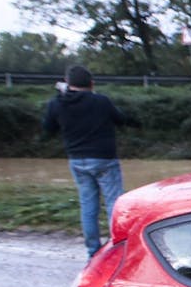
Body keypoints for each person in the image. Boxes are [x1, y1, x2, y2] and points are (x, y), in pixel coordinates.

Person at [43, 65, 137, 257]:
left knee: (88, 206)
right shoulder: (101, 101)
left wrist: (62, 96)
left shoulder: (57, 103)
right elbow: (120, 119)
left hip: (77, 160)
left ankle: (93, 252)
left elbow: (48, 128)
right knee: (114, 204)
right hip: (104, 159)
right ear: (92, 83)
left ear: (67, 83)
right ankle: (119, 249)